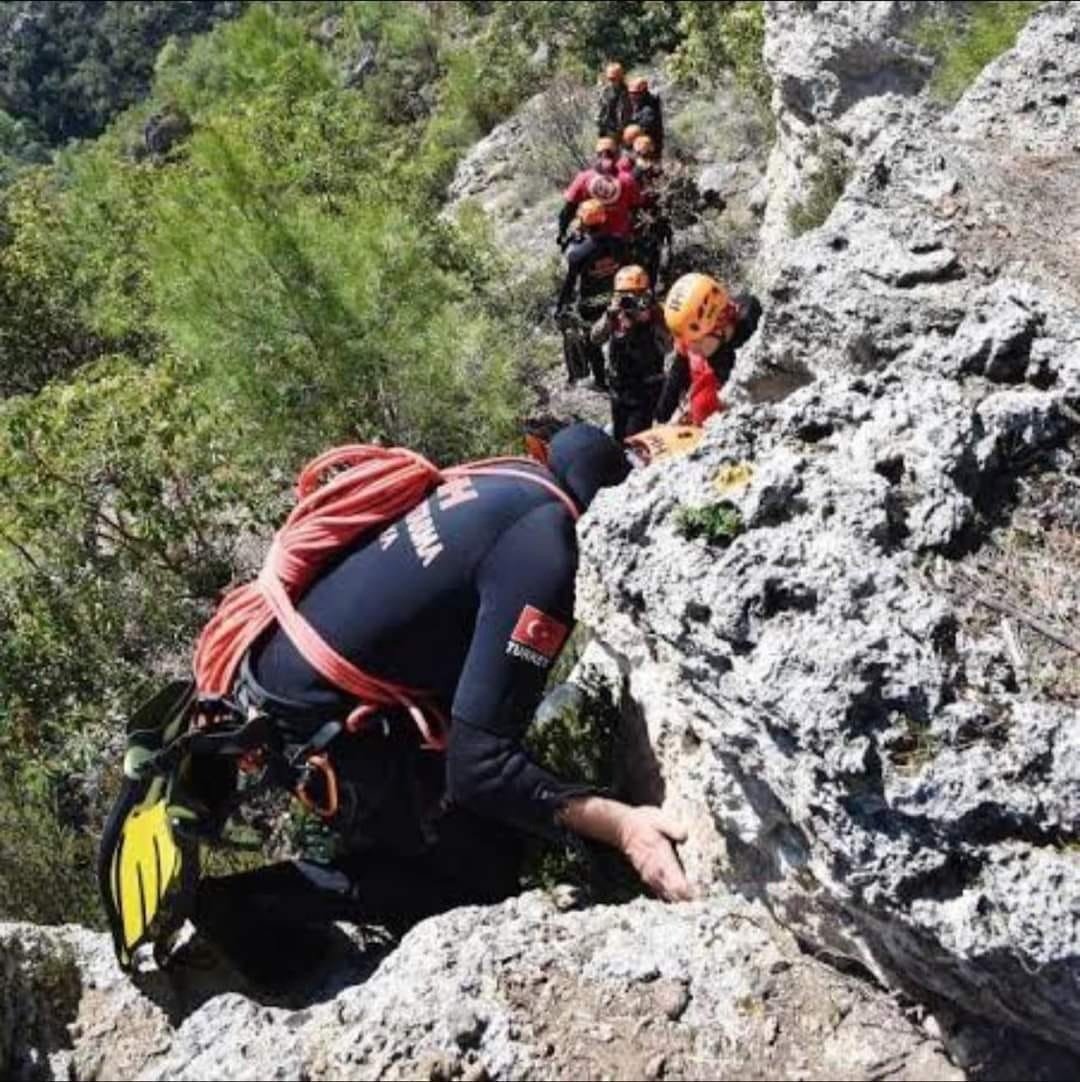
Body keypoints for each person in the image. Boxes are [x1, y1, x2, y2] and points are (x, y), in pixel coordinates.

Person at [187, 423, 692, 986]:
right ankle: (245, 908)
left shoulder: (510, 478)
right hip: (317, 724)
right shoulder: (547, 553)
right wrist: (624, 827)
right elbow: (480, 767)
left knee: (494, 833)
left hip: (278, 668)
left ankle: (367, 861)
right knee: (474, 881)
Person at [655, 273, 762, 426]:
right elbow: (678, 372)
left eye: (696, 341)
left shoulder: (753, 335)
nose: (692, 348)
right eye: (687, 341)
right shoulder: (693, 331)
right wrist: (662, 415)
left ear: (719, 326)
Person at [555, 199, 628, 388]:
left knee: (591, 341)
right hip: (616, 298)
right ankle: (623, 372)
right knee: (621, 335)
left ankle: (600, 380)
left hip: (590, 304)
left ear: (583, 222)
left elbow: (569, 283)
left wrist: (560, 306)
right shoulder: (619, 243)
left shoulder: (578, 252)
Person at [590, 266, 668, 441]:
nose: (628, 300)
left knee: (634, 441)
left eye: (635, 294)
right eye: (623, 295)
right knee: (619, 438)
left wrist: (650, 321)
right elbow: (595, 338)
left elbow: (669, 346)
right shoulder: (614, 315)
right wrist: (609, 318)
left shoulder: (655, 313)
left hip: (645, 390)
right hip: (619, 388)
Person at [558, 138, 642, 245]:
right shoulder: (627, 179)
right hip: (620, 237)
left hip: (590, 238)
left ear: (597, 155)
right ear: (616, 156)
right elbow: (636, 208)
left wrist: (562, 232)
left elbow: (568, 209)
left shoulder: (584, 178)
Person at [628, 77, 664, 158]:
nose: (632, 96)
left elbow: (644, 129)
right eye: (631, 93)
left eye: (635, 93)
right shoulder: (639, 103)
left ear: (643, 92)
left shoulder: (649, 110)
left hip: (648, 149)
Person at [597, 62, 633, 139]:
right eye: (609, 79)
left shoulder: (630, 92)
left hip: (626, 131)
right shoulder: (605, 93)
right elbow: (601, 113)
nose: (611, 82)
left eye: (613, 79)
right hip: (609, 131)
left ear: (620, 78)